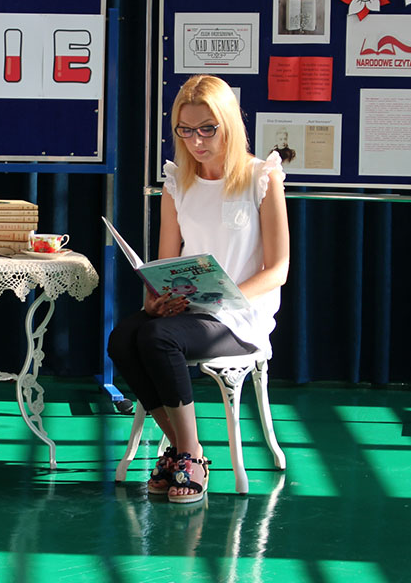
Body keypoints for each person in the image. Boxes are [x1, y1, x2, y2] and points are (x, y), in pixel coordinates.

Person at [107, 75, 290, 503]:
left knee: (157, 339)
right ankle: (184, 450)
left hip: (240, 316)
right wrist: (156, 299)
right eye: (186, 130)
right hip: (191, 311)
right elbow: (165, 264)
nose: (196, 141)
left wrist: (225, 296)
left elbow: (278, 270)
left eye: (207, 128)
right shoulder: (178, 183)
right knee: (124, 337)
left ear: (229, 124)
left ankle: (188, 455)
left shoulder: (262, 177)